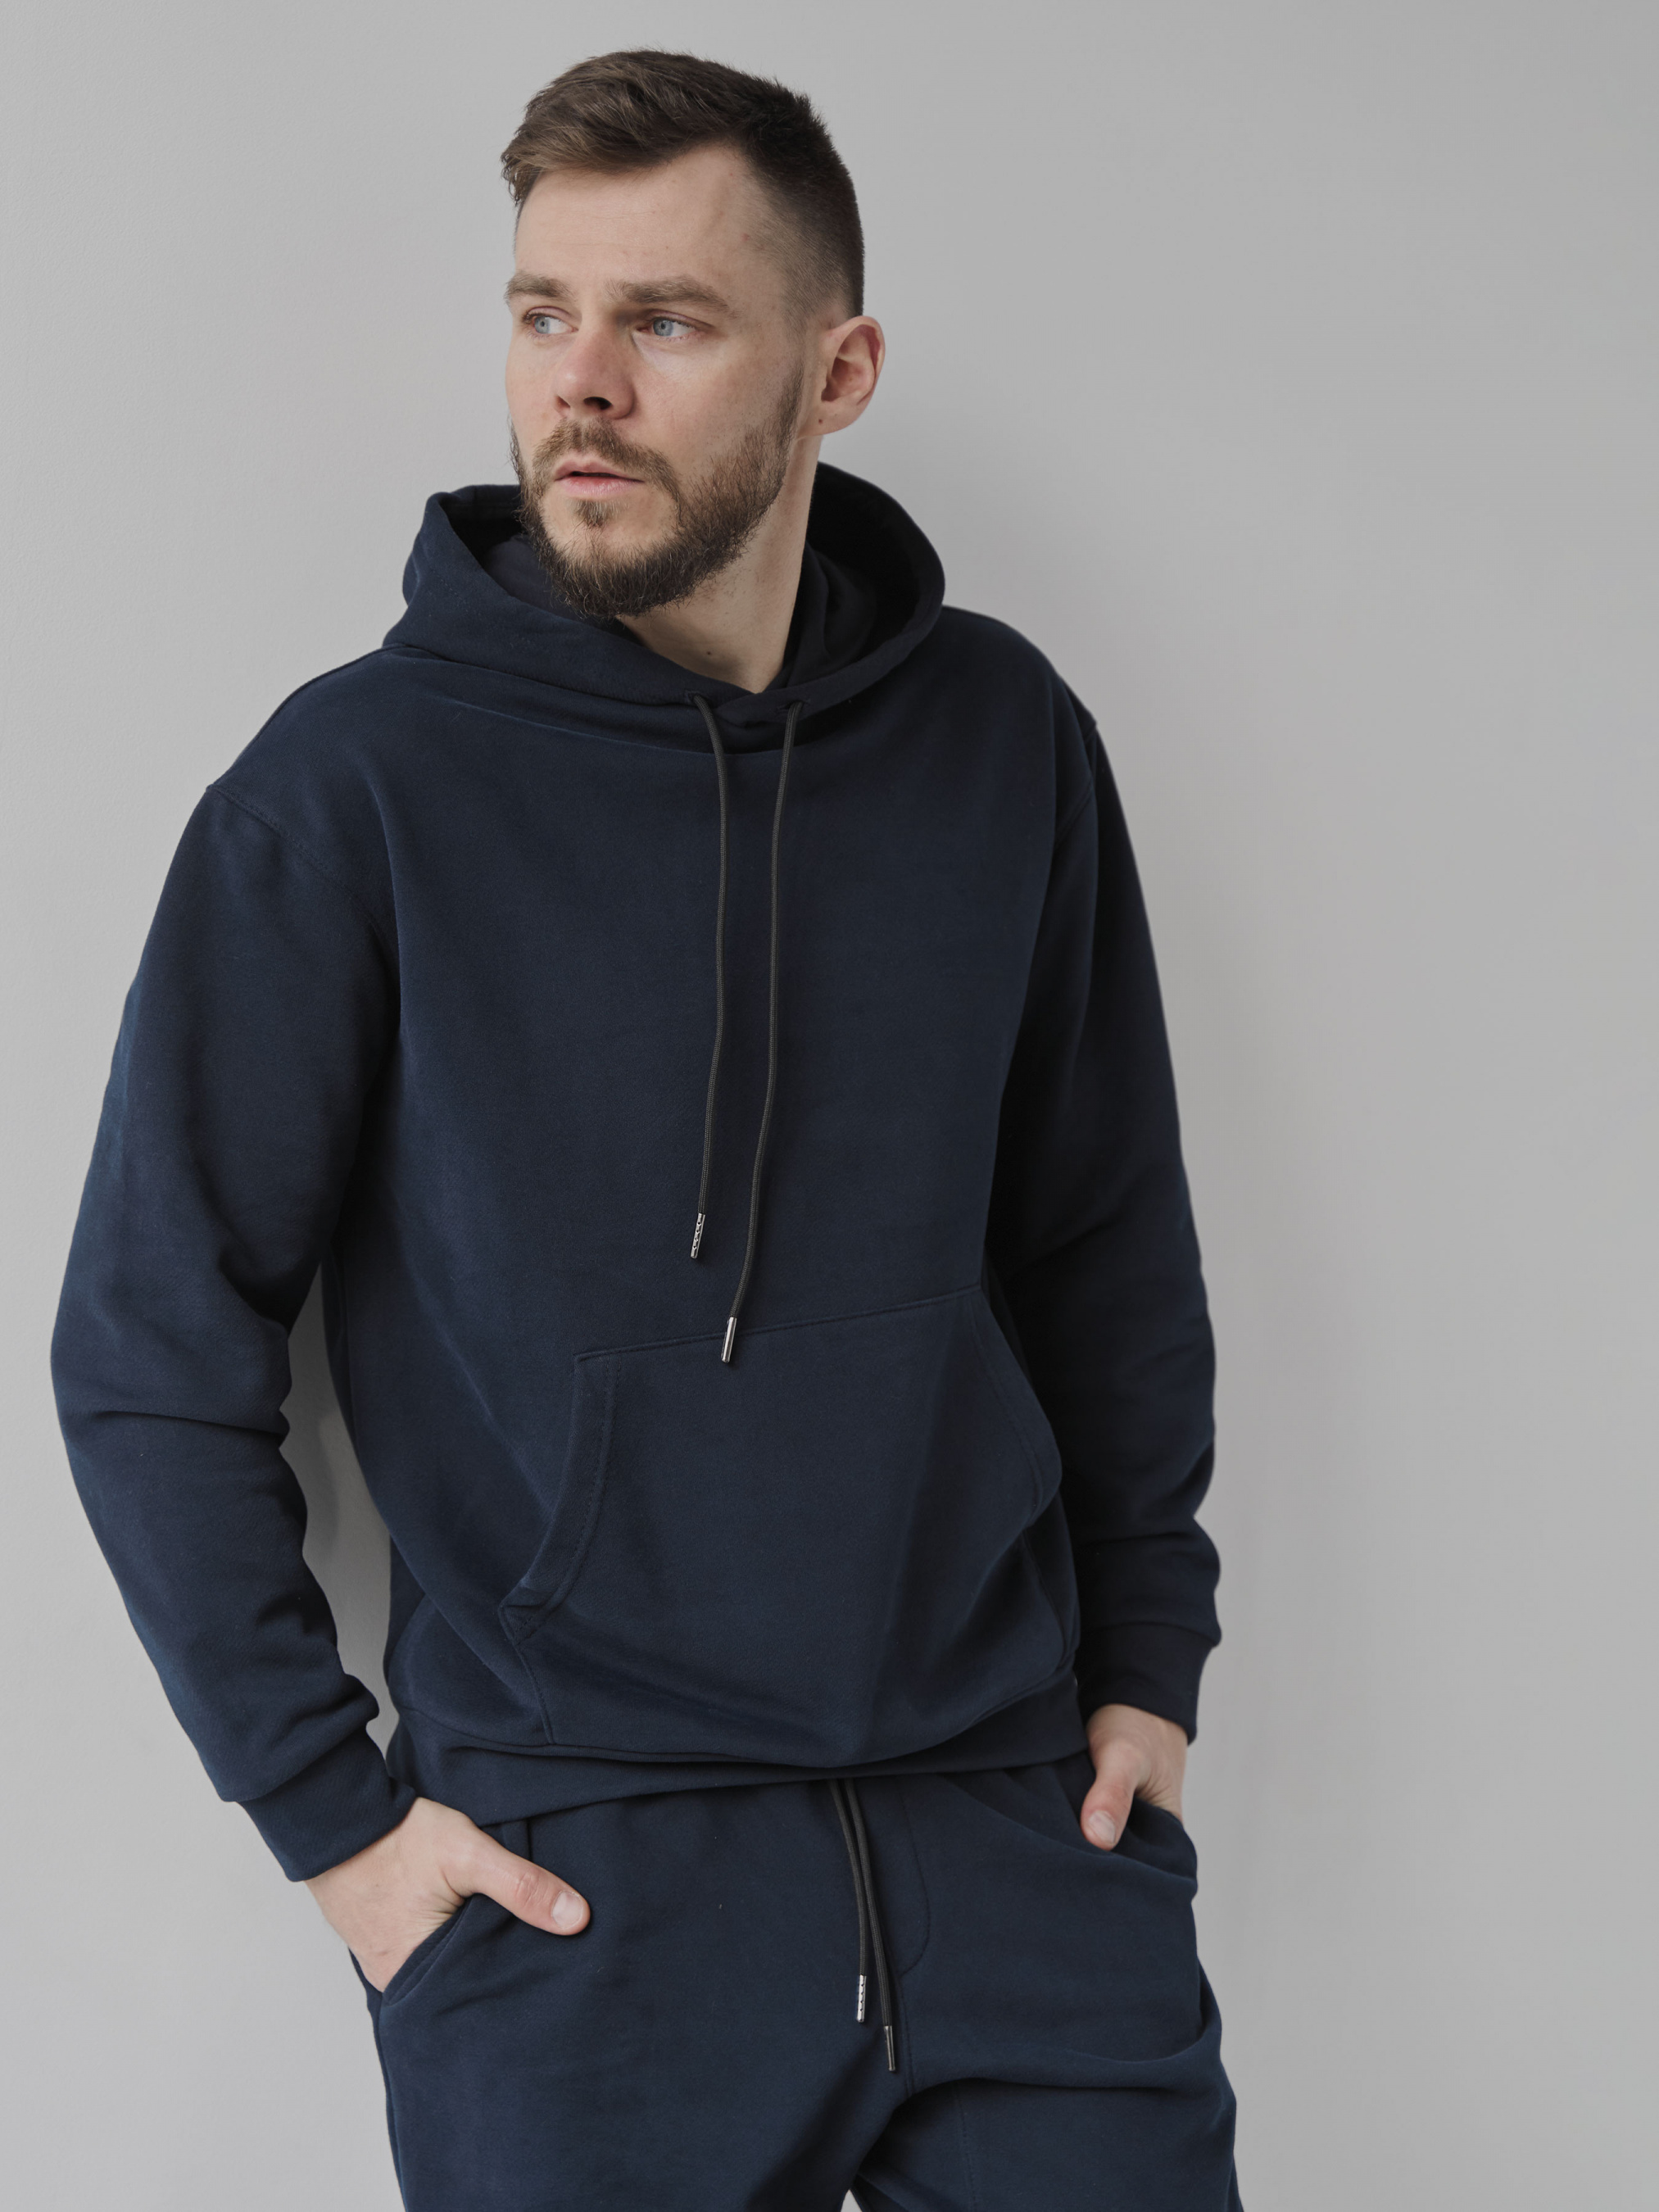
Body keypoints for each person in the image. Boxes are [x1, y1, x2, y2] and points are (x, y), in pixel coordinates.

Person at [51, 47, 1242, 2212]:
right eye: (542, 313)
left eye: (666, 321)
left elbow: (1102, 1236)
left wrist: (1148, 1658)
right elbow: (148, 1342)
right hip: (579, 1903)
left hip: (1015, 1851)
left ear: (835, 370)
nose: (578, 386)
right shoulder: (351, 791)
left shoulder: (999, 742)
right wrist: (335, 1826)